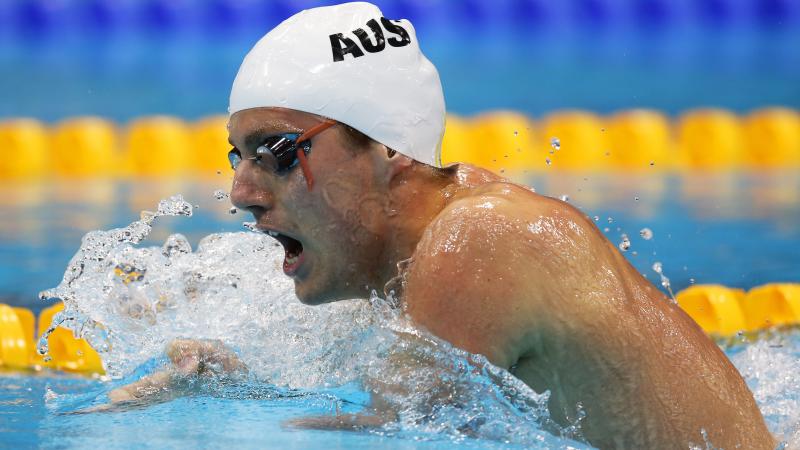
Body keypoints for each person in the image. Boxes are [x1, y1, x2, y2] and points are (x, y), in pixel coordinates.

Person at [107, 3, 775, 448]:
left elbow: (394, 437)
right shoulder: (425, 244)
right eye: (237, 156)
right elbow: (390, 412)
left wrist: (192, 426)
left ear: (389, 149)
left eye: (278, 153)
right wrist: (237, 380)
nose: (242, 193)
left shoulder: (481, 240)